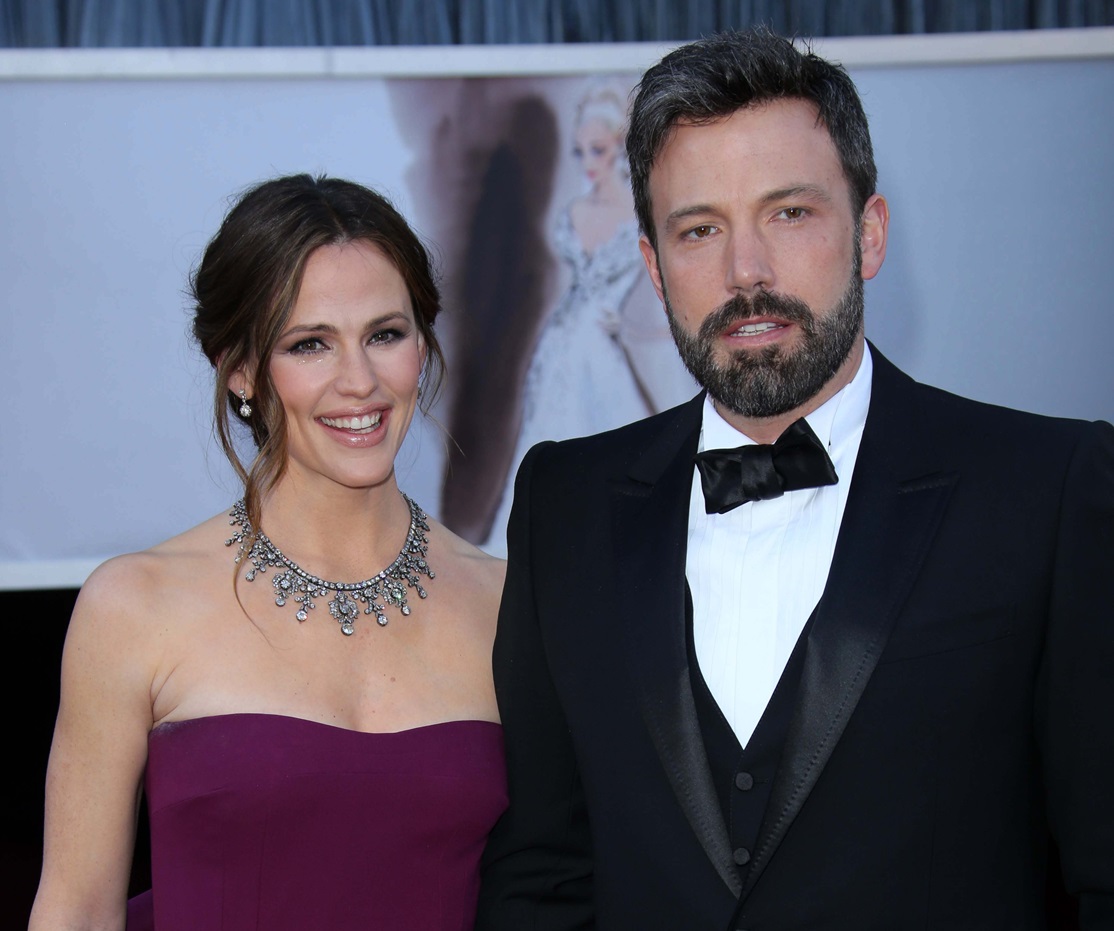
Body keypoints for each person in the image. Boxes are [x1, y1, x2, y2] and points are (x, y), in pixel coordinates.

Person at [477, 28, 1114, 931]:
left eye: (790, 213)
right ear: (655, 268)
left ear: (870, 232)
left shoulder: (1047, 490)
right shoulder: (563, 505)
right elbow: (540, 872)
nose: (747, 273)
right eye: (700, 229)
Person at [29, 174, 507, 930]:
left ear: (423, 344)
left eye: (386, 333)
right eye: (310, 343)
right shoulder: (135, 607)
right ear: (243, 369)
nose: (360, 380)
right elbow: (78, 911)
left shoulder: (507, 604)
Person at [481, 82, 655, 556]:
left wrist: (634, 332)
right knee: (548, 442)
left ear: (619, 148)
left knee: (614, 446)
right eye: (580, 153)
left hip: (602, 344)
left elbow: (659, 300)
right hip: (562, 339)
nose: (589, 163)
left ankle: (616, 553)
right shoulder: (575, 211)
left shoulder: (643, 214)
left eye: (597, 150)